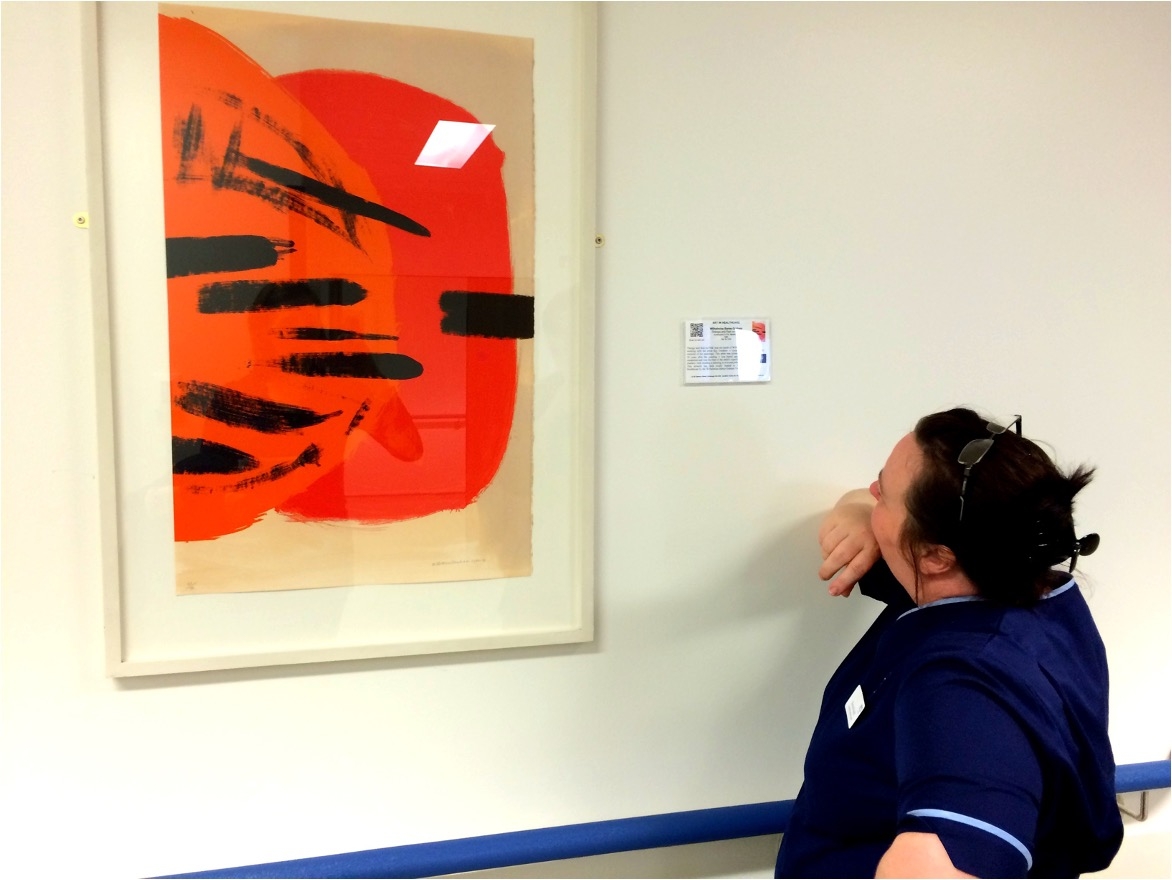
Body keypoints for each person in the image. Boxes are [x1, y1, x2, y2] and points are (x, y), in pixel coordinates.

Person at [774, 408, 1123, 878]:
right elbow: (857, 498)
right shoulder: (1006, 579)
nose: (872, 491)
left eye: (884, 496)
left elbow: (952, 855)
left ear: (936, 555)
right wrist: (861, 511)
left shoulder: (967, 687)